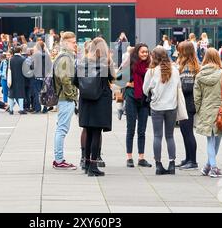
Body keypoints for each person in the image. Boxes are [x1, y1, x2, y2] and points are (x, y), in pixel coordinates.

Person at [76, 37, 115, 176]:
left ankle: (86, 163)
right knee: (96, 133)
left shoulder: (82, 62)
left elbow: (75, 81)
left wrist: (86, 89)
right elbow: (112, 78)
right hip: (100, 101)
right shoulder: (106, 63)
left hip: (86, 100)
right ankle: (93, 166)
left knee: (88, 131)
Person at [194, 48, 222, 178]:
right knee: (216, 140)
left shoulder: (200, 75)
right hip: (220, 110)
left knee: (210, 140)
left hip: (206, 109)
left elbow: (197, 97)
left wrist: (199, 110)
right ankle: (213, 167)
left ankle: (208, 166)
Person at [143, 46, 180, 175]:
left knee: (157, 136)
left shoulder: (151, 72)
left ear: (154, 57)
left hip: (157, 107)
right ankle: (172, 164)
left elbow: (144, 89)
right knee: (170, 136)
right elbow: (178, 87)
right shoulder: (175, 70)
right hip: (171, 106)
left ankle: (158, 165)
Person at [52, 32, 78, 170]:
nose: (75, 44)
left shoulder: (63, 56)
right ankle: (59, 160)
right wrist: (72, 94)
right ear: (66, 43)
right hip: (65, 98)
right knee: (62, 129)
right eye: (73, 42)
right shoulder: (65, 58)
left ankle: (58, 159)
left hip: (64, 97)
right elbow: (65, 79)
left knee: (60, 128)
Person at [124, 43, 152, 168]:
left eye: (146, 52)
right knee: (131, 129)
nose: (145, 54)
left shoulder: (150, 66)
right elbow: (118, 78)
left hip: (144, 99)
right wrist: (127, 84)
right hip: (131, 97)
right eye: (142, 52)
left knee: (142, 130)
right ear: (137, 53)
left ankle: (141, 157)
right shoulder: (130, 63)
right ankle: (129, 157)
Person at [175, 41, 199, 170]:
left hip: (188, 103)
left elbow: (187, 87)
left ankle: (193, 160)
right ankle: (188, 158)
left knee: (188, 132)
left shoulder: (188, 67)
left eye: (180, 50)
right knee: (185, 132)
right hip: (187, 102)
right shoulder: (186, 65)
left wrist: (176, 86)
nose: (178, 52)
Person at [8, 46, 27, 114]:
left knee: (12, 94)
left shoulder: (11, 59)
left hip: (12, 79)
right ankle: (21, 109)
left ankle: (11, 109)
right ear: (20, 51)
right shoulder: (23, 59)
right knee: (20, 94)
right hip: (21, 79)